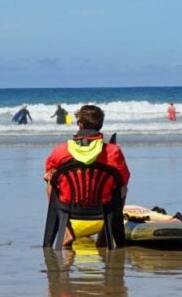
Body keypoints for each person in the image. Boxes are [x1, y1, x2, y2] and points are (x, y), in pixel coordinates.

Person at [44, 105, 130, 245]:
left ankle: (68, 232)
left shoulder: (61, 151)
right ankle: (104, 235)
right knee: (123, 188)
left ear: (80, 124)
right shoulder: (113, 151)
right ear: (100, 125)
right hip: (103, 203)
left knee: (51, 183)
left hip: (68, 204)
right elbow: (124, 179)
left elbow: (48, 174)